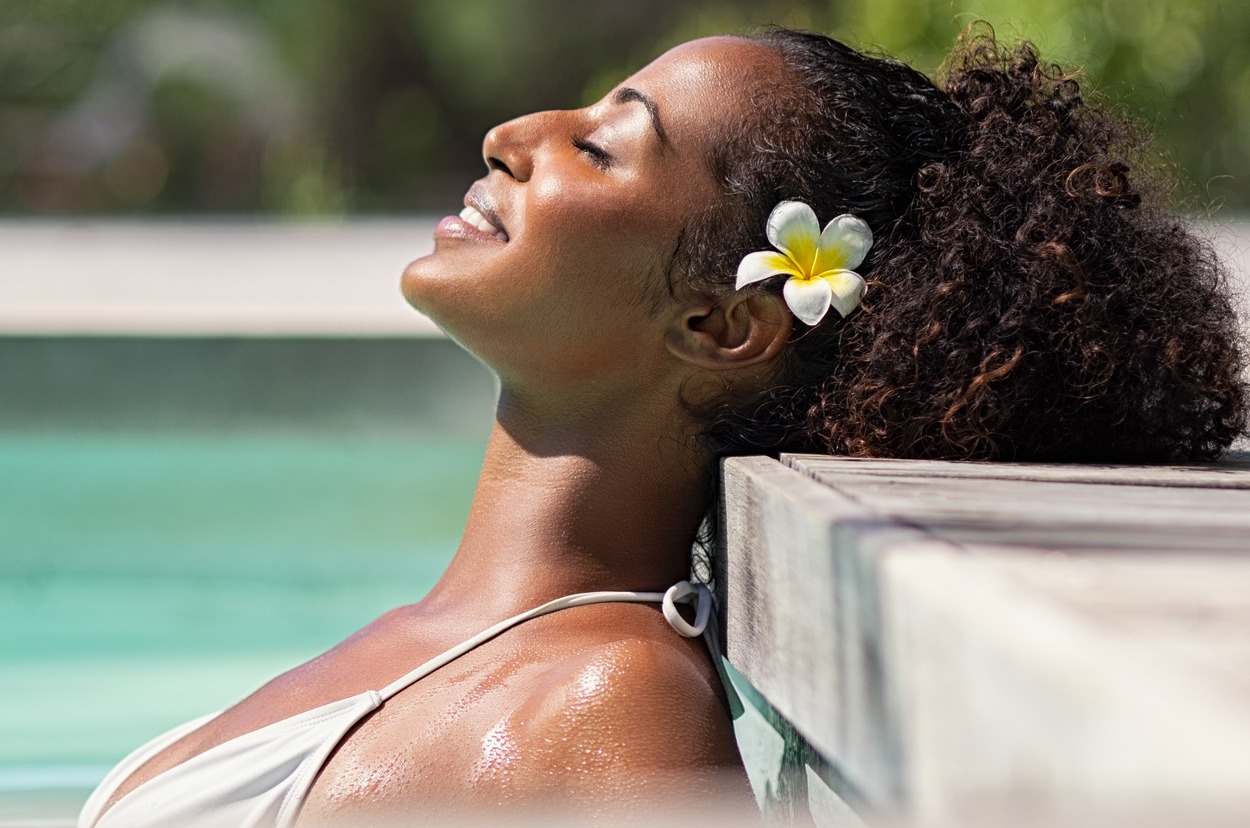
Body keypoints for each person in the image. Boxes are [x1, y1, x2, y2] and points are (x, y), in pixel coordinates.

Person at [78, 24, 1245, 827]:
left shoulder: (610, 706)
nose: (513, 134)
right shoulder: (463, 641)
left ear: (722, 325)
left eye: (597, 147)